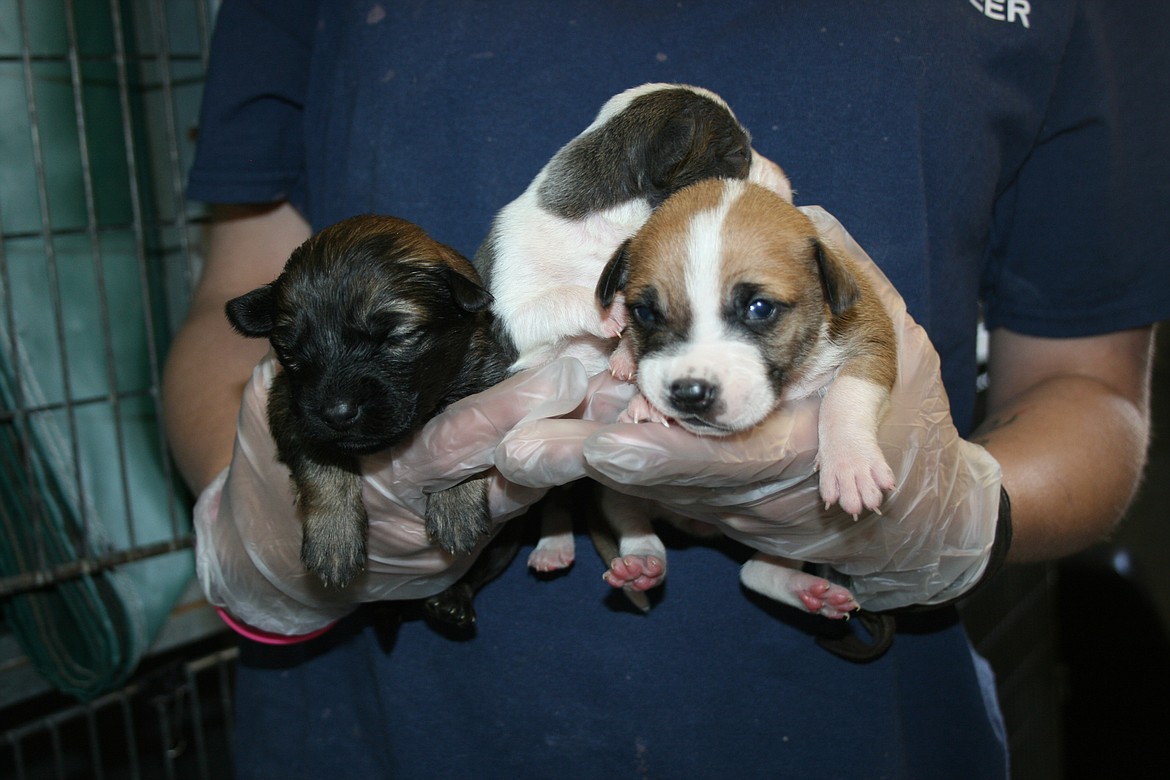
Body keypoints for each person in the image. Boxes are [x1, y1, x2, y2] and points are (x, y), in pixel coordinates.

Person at [162, 1, 1169, 777]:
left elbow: (1089, 386)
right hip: (382, 728)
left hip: (858, 733)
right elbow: (237, 306)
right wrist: (257, 519)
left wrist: (960, 515)